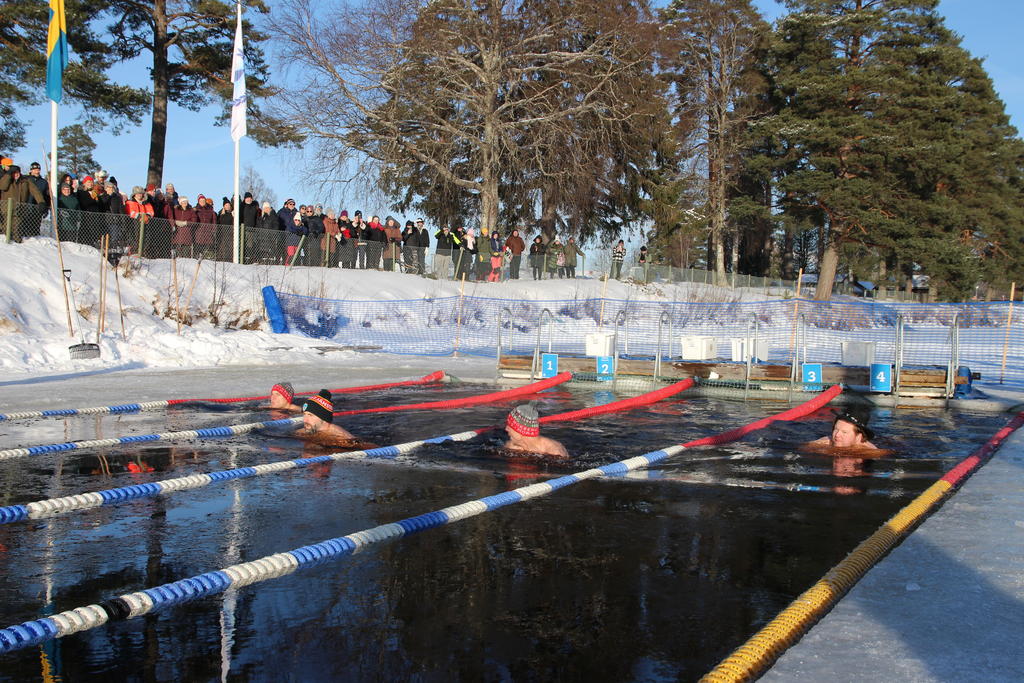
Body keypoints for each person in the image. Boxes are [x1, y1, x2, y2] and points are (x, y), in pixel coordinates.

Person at [503, 402, 568, 459]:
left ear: (521, 430)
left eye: (509, 426)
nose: (506, 429)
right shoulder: (512, 445)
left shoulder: (555, 453)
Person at [808, 412, 878, 450]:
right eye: (836, 429)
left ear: (858, 437)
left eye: (844, 432)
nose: (837, 435)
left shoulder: (870, 451)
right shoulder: (824, 442)